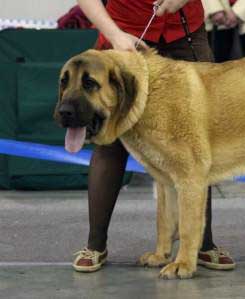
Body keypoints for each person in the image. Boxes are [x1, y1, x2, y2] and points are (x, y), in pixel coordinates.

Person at [73, 0, 235, 273]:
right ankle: (95, 244)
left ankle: (202, 244)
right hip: (123, 38)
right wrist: (114, 35)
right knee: (110, 144)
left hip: (187, 35)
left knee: (196, 142)